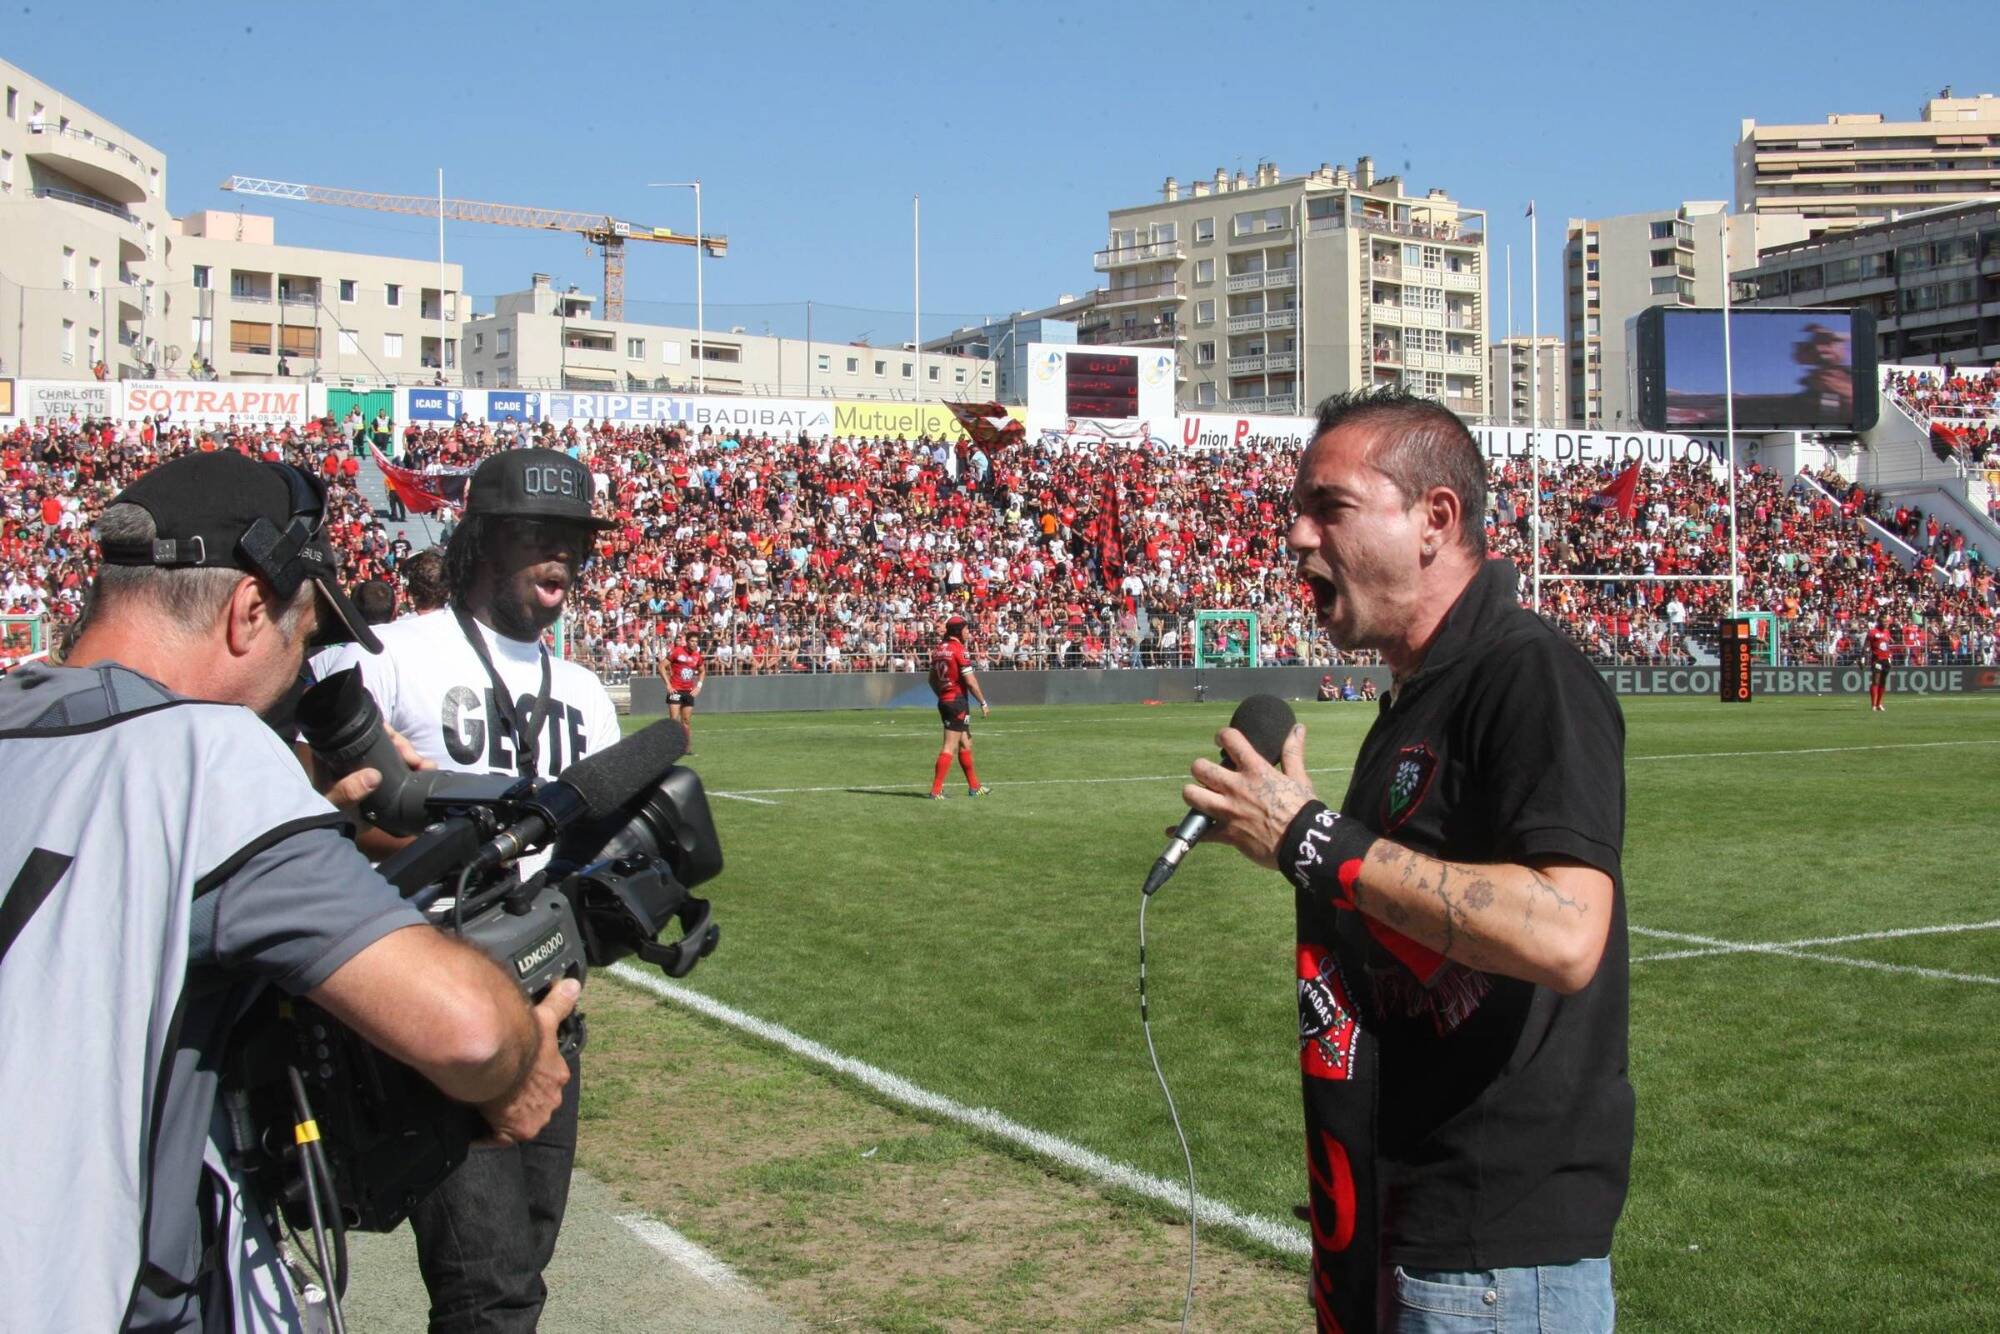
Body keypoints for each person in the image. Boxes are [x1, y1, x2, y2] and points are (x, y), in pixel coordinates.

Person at [0, 451, 577, 1330]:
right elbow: (463, 1030)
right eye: (304, 639)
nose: (297, 675)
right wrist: (518, 1055)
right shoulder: (203, 753)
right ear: (247, 611)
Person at [1183, 389, 1629, 1333]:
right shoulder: (1416, 697)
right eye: (1296, 511)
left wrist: (1311, 836)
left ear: (1434, 520)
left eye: (1330, 507)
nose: (1297, 535)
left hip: (1498, 1265)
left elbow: (1564, 932)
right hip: (1411, 1231)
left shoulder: (1526, 672)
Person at [315, 447, 620, 1331]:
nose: (561, 556)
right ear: (482, 541)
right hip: (437, 997)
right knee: (491, 1288)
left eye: (575, 540)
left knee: (526, 1251)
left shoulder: (587, 692)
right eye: (538, 535)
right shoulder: (395, 656)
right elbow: (311, 803)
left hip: (554, 998)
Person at [927, 612, 991, 799]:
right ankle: (936, 791)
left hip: (946, 700)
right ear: (959, 630)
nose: (968, 632)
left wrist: (942, 695)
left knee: (966, 742)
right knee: (949, 747)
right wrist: (983, 702)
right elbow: (970, 682)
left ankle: (974, 787)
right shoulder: (958, 650)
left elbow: (931, 679)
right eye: (966, 628)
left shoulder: (939, 649)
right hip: (957, 702)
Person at [659, 631, 707, 749]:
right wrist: (668, 685)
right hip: (675, 690)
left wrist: (699, 686)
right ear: (687, 641)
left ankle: (686, 747)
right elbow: (661, 666)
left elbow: (702, 671)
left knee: (686, 720)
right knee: (674, 720)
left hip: (688, 691)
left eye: (696, 641)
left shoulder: (697, 656)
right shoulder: (677, 651)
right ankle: (670, 746)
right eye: (692, 641)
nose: (694, 643)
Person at [1865, 612, 1896, 711]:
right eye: (1884, 621)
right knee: (1876, 680)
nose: (1886, 623)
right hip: (1877, 659)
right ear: (1879, 622)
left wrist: (1890, 657)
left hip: (1886, 659)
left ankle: (1879, 704)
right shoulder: (1873, 632)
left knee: (1883, 681)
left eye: (1887, 621)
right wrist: (1863, 657)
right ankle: (1873, 704)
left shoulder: (1887, 632)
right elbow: (1866, 645)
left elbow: (1887, 645)